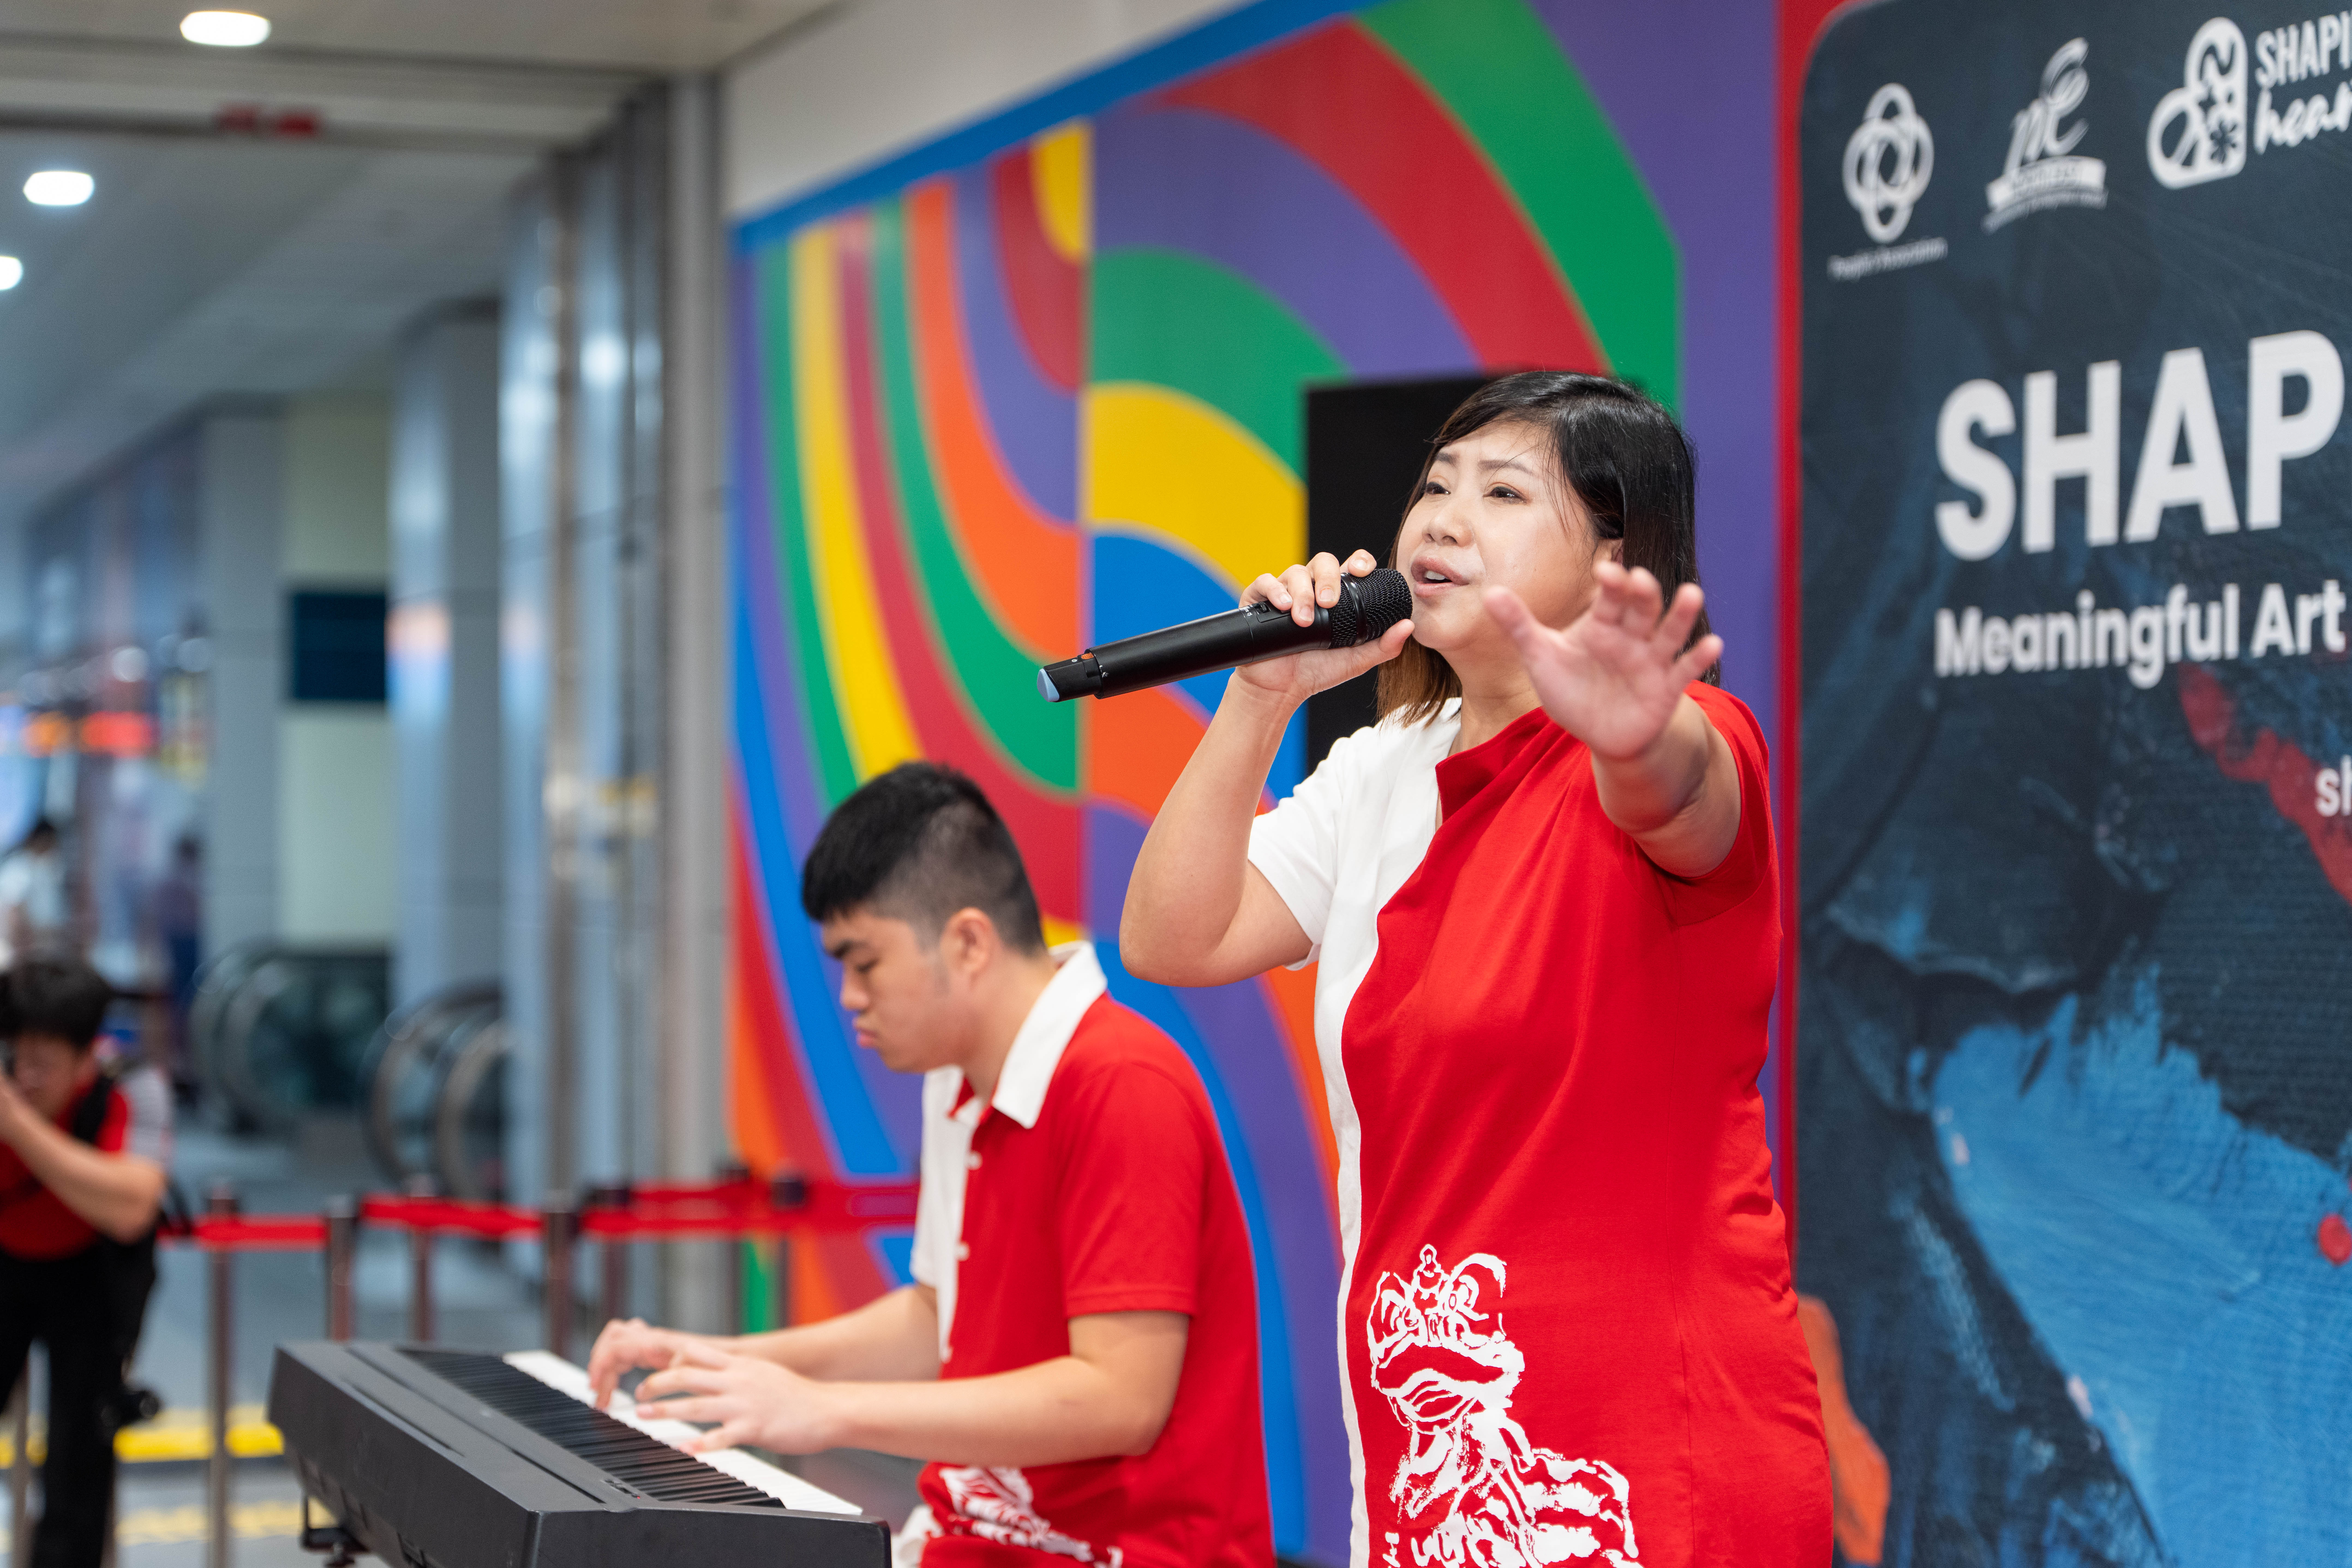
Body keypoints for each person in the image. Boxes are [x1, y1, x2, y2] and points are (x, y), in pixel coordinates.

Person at [1122, 373, 1830, 1567]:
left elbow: (1682, 792)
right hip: (1427, 1453)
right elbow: (1171, 940)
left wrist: (1638, 734)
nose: (1441, 519)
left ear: (1618, 556)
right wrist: (1258, 697)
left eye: (1503, 493)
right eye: (1436, 486)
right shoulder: (1381, 767)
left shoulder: (1685, 742)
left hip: (1647, 1457)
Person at [589, 763, 1273, 1567]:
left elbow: (1121, 1398)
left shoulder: (1122, 1083)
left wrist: (826, 1409)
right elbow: (935, 1318)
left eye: (865, 961)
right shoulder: (959, 1073)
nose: (848, 996)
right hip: (973, 1538)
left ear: (970, 941)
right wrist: (732, 1360)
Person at [0, 953, 170, 1568]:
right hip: (6, 1266)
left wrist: (17, 1126)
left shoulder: (134, 1085)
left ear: (85, 1059)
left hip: (93, 1280)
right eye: (16, 1058)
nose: (25, 1077)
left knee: (78, 1462)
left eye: (43, 1065)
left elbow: (132, 1204)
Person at [0, 821, 69, 967]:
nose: (53, 846)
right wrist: (24, 944)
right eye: (50, 841)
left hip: (46, 941)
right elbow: (14, 910)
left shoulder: (47, 866)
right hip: (28, 944)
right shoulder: (18, 866)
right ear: (40, 839)